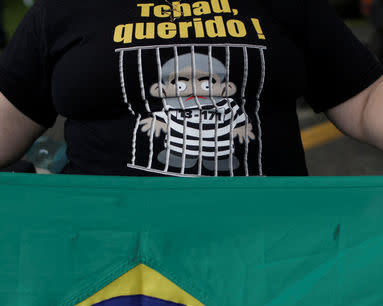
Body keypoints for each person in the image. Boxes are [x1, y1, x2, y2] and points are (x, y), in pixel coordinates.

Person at [0, 0, 383, 177]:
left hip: (264, 261)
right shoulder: (60, 9)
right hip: (108, 265)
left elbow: (365, 100)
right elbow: (8, 117)